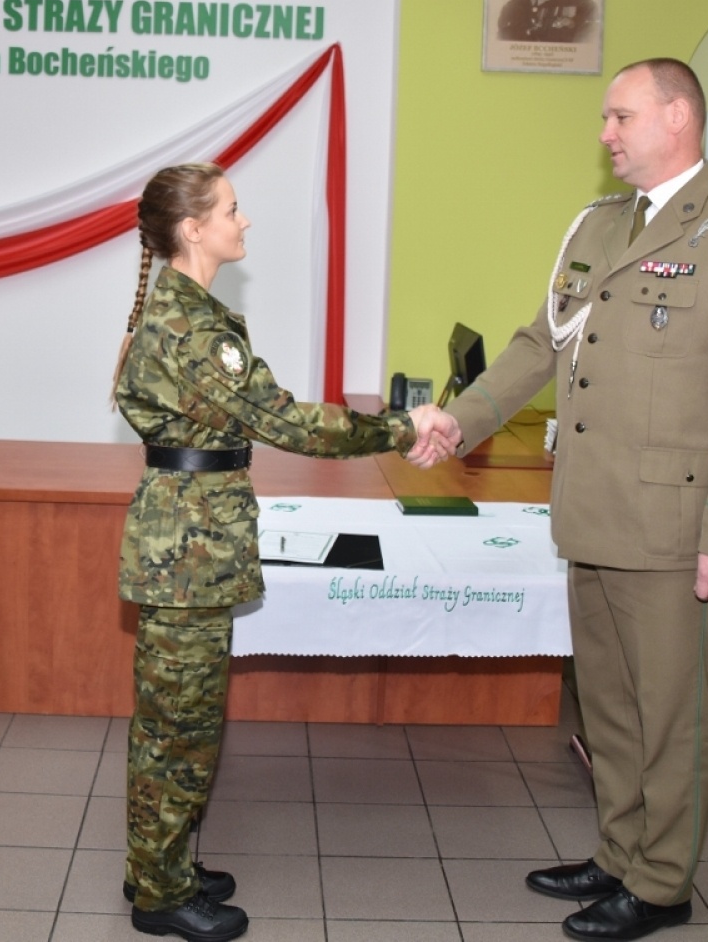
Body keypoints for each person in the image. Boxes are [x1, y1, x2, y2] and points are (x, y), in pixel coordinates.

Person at [430, 59, 708, 941]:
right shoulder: (600, 225)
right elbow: (539, 341)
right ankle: (620, 852)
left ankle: (664, 885)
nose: (605, 133)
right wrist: (460, 421)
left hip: (677, 528)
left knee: (673, 713)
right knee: (608, 706)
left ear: (676, 117)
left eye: (619, 115)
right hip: (593, 514)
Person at [111, 163, 456, 942]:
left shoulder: (184, 309)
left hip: (190, 537)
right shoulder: (192, 324)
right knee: (181, 726)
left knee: (175, 719)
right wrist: (402, 427)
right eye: (232, 209)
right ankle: (160, 896)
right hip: (189, 546)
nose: (245, 221)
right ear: (192, 228)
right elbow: (290, 424)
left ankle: (156, 864)